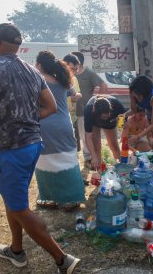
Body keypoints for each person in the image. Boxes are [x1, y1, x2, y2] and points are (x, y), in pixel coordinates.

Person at [0, 23, 80, 274]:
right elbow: (50, 107)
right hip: (32, 146)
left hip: (10, 149)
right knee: (13, 198)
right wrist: (26, 119)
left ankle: (62, 259)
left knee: (19, 207)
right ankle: (16, 251)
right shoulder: (32, 70)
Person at [34, 51, 85, 211]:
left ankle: (50, 199)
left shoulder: (36, 80)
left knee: (44, 162)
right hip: (63, 124)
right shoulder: (63, 79)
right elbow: (75, 94)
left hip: (42, 124)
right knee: (68, 160)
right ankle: (72, 200)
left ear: (40, 65)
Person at [72, 51, 108, 169]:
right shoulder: (71, 74)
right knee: (75, 138)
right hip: (71, 111)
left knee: (85, 136)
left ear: (78, 62)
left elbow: (103, 86)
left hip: (84, 111)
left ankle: (89, 159)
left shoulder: (89, 73)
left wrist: (97, 102)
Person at [84, 95, 125, 169]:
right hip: (94, 122)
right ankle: (99, 170)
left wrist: (123, 135)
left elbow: (123, 125)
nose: (104, 119)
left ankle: (120, 168)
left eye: (106, 116)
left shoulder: (117, 105)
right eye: (103, 117)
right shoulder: (89, 111)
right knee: (96, 146)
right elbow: (88, 137)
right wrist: (93, 157)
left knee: (113, 144)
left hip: (110, 122)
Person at [63, 53, 82, 152]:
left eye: (76, 69)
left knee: (75, 147)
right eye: (72, 69)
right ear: (64, 65)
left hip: (73, 117)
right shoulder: (57, 79)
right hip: (62, 117)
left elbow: (77, 92)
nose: (74, 72)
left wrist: (78, 95)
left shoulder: (74, 79)